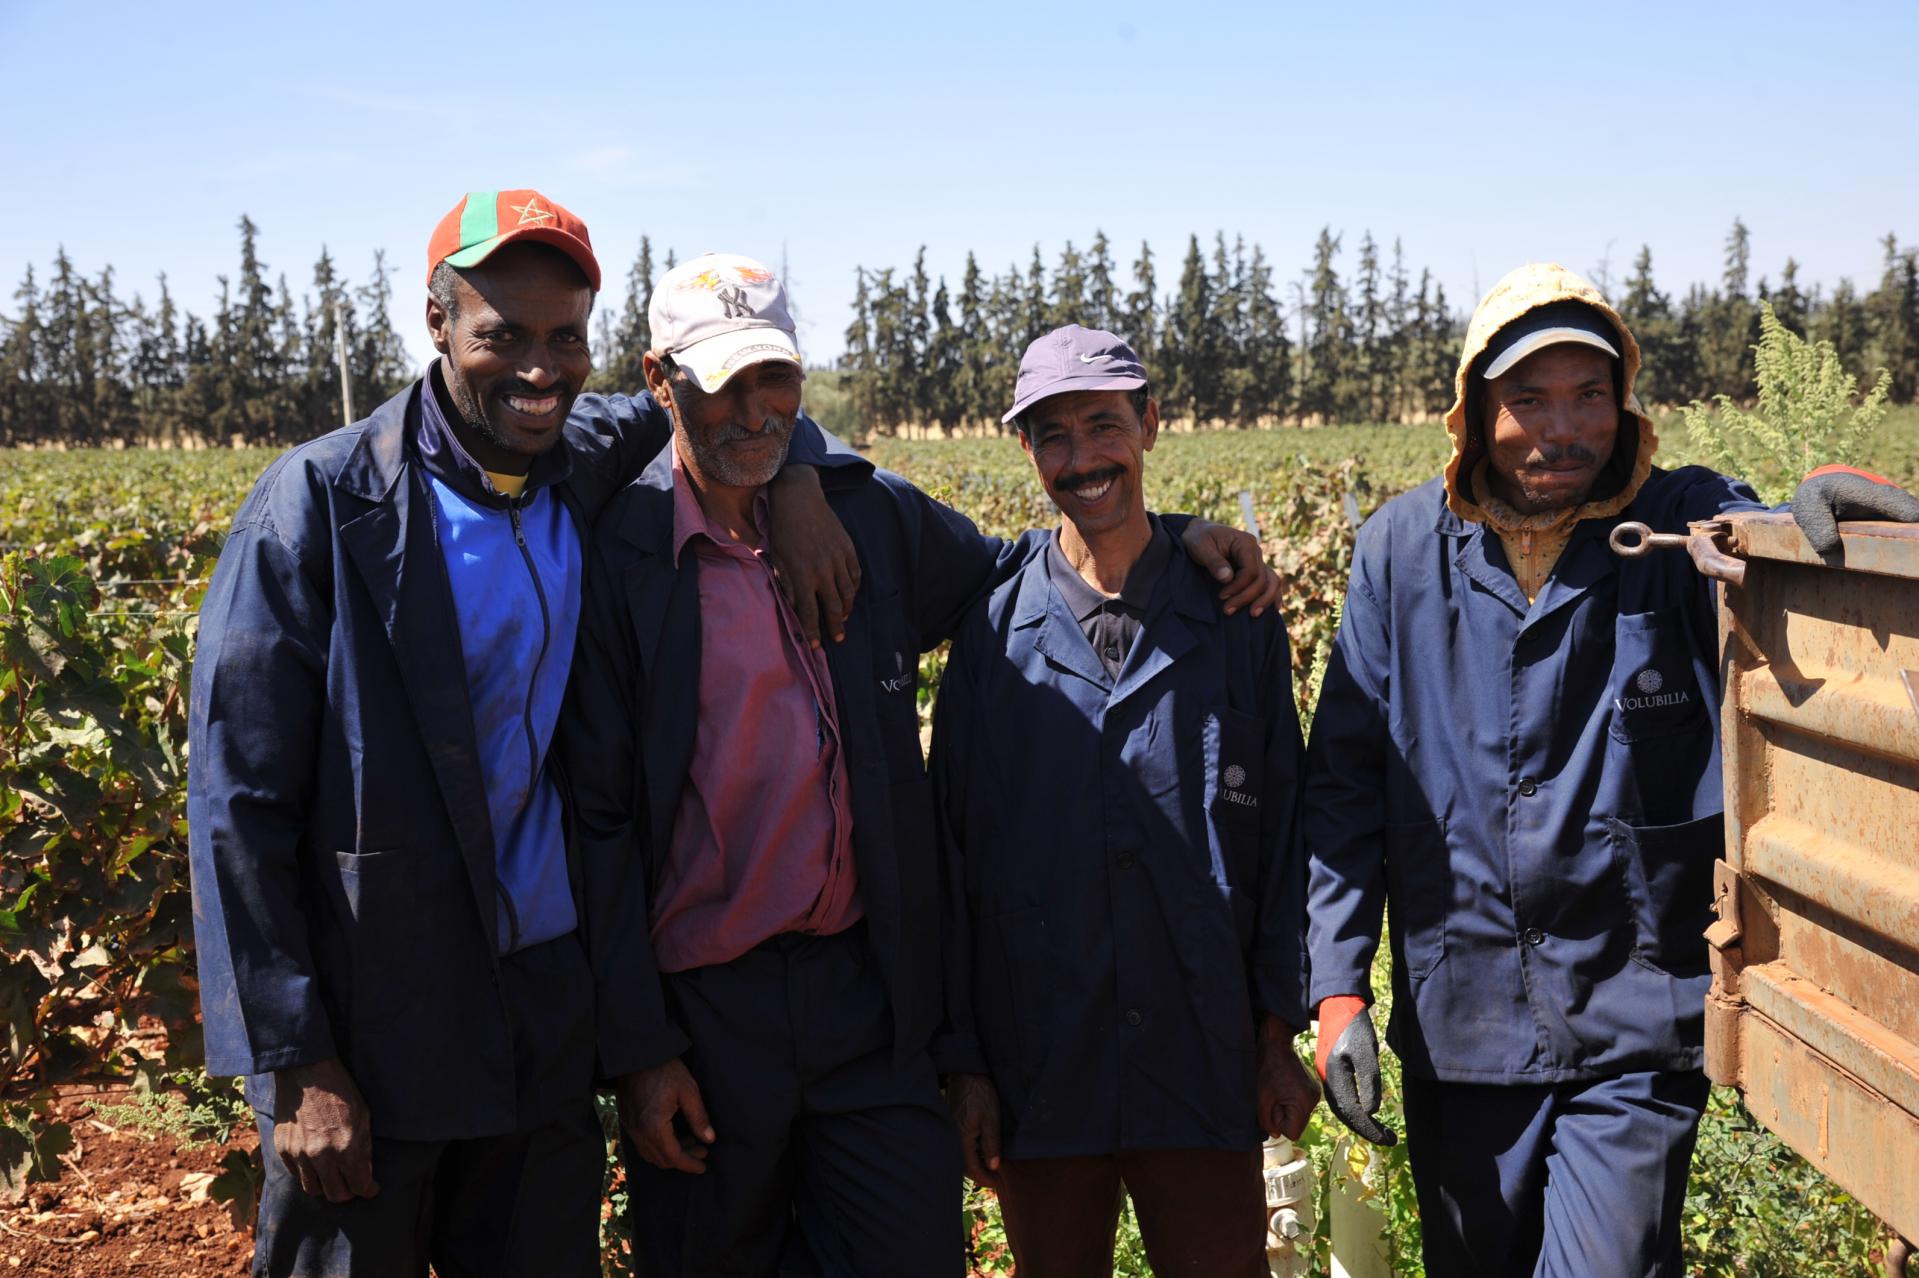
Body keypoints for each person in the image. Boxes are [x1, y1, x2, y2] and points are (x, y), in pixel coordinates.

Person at [188, 190, 865, 1278]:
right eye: (502, 335)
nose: (539, 370)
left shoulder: (580, 455)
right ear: (437, 325)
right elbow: (238, 802)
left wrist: (792, 482)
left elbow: (739, 409)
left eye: (565, 338)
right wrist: (295, 1058)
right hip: (377, 1010)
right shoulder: (317, 507)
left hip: (542, 1006)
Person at [562, 259, 1280, 1277]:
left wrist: (1178, 535)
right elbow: (594, 821)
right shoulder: (618, 559)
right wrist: (637, 1050)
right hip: (706, 1013)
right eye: (721, 383)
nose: (754, 412)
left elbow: (1023, 569)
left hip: (869, 995)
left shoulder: (870, 521)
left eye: (776, 381)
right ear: (658, 380)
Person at [1304, 261, 1919, 1277]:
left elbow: (1757, 542)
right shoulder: (1399, 554)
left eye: (1588, 396)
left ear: (1622, 404)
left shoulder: (1674, 522)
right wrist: (1335, 992)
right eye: (1527, 400)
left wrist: (1834, 523)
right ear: (1470, 413)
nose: (1561, 429)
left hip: (1632, 999)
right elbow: (1341, 787)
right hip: (1461, 1009)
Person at [930, 325, 1320, 1278]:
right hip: (1039, 1064)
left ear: (1149, 424)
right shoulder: (992, 627)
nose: (1082, 459)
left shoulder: (1234, 615)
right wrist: (966, 1064)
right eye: (1052, 436)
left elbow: (1284, 840)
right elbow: (951, 855)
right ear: (1024, 450)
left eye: (1103, 425)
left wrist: (1277, 1029)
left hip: (1200, 1053)